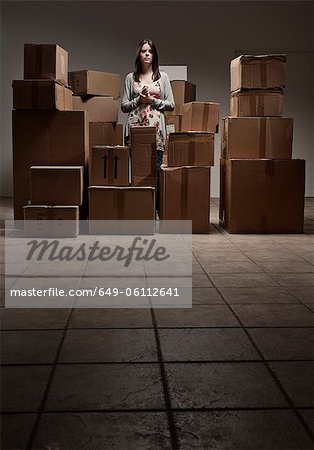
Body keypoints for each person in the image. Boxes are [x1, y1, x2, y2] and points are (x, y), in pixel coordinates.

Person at [121, 39, 175, 212]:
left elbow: (171, 104)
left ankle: (155, 209)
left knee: (155, 170)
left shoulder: (162, 77)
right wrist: (139, 100)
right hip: (136, 130)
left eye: (150, 51)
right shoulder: (131, 77)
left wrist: (152, 100)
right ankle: (138, 209)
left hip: (156, 131)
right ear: (138, 54)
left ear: (154, 55)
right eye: (143, 51)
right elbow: (124, 106)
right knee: (138, 171)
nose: (146, 54)